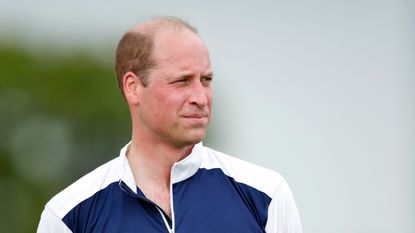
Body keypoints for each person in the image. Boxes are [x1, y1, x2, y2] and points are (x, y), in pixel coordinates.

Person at [37, 16, 303, 233]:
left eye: (206, 80)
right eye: (182, 81)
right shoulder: (68, 216)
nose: (200, 98)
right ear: (133, 87)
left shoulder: (266, 195)